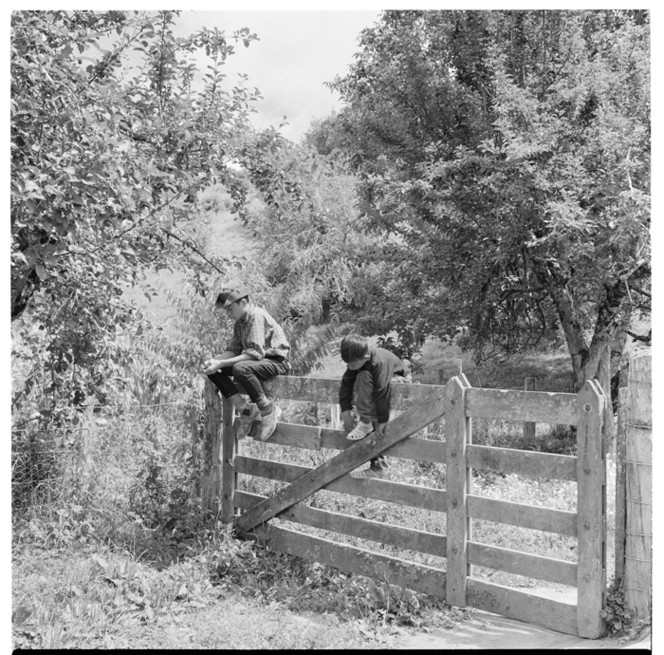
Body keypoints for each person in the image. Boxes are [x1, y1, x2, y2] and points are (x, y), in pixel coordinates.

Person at [203, 284, 290, 441]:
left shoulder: (255, 317)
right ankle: (245, 411)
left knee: (240, 368)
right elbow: (233, 349)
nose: (228, 314)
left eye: (230, 309)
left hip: (276, 361)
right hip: (257, 362)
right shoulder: (240, 323)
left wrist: (222, 363)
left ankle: (267, 410)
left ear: (243, 303)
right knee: (215, 370)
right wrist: (215, 362)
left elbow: (254, 353)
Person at [338, 334, 408, 479]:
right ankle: (378, 466)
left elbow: (382, 391)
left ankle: (366, 423)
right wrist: (345, 412)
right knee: (362, 378)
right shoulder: (358, 361)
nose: (349, 368)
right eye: (347, 364)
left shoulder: (379, 363)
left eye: (352, 364)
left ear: (365, 357)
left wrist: (383, 421)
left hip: (399, 379)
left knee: (364, 378)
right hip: (375, 382)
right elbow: (346, 385)